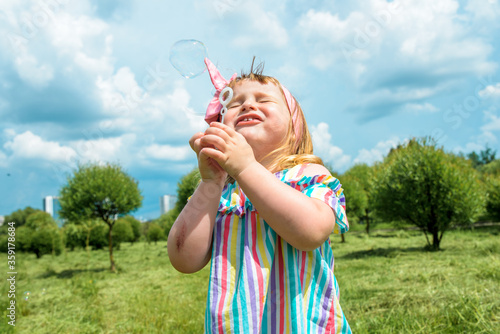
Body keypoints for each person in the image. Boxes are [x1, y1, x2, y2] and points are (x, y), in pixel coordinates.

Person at [167, 58, 351, 333]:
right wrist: (210, 182)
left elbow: (311, 232)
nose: (247, 105)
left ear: (294, 128)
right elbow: (183, 260)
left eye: (264, 100)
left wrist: (245, 167)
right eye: (233, 102)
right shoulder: (222, 193)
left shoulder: (306, 174)